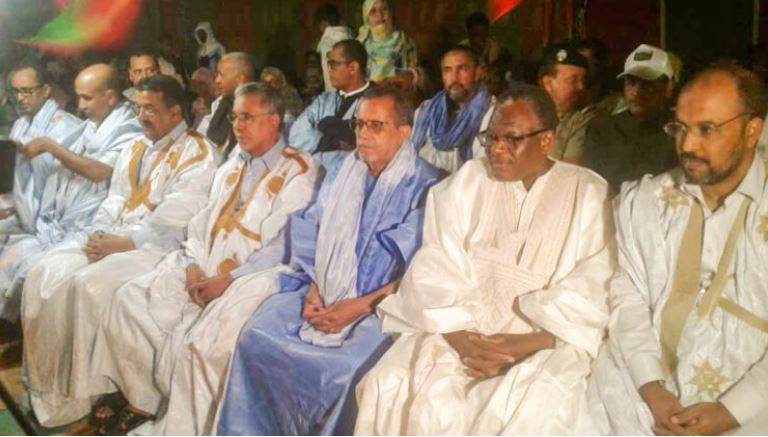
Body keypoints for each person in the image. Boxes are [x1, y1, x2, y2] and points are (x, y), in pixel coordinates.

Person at [355, 84, 615, 435]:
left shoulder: (588, 192)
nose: (497, 149)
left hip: (545, 341)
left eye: (512, 139)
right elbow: (436, 266)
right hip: (459, 328)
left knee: (538, 412)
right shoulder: (468, 181)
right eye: (491, 138)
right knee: (390, 384)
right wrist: (464, 342)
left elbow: (593, 289)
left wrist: (523, 346)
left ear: (546, 140)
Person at [89, 82, 320, 435]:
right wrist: (194, 264)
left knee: (199, 344)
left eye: (247, 117)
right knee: (128, 301)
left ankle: (191, 424)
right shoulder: (233, 163)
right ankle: (145, 400)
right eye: (235, 117)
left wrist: (228, 281)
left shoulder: (299, 169)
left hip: (254, 280)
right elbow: (201, 222)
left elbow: (282, 247)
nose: (238, 126)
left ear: (274, 120)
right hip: (204, 268)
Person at [217, 86, 440, 435]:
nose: (363, 134)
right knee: (255, 336)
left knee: (349, 370)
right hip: (324, 289)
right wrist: (315, 289)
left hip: (385, 308)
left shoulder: (430, 186)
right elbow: (313, 234)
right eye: (359, 124)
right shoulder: (342, 172)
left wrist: (358, 307)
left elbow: (423, 274)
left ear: (405, 132)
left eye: (376, 126)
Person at [20, 75, 217, 428]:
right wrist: (100, 233)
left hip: (156, 248)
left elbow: (178, 221)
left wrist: (124, 243)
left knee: (88, 285)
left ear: (175, 112)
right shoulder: (137, 145)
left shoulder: (199, 153)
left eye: (150, 109)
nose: (141, 117)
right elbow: (115, 198)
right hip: (115, 236)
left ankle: (95, 389)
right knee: (43, 272)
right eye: (138, 108)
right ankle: (51, 388)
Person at [589, 63, 768, 435]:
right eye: (680, 128)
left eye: (707, 129)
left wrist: (731, 411)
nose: (687, 145)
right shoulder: (647, 201)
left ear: (752, 131)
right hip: (641, 386)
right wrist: (651, 388)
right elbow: (629, 296)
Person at [0, 64, 141, 325]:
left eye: (86, 98)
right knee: (15, 253)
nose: (80, 105)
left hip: (97, 222)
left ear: (110, 97)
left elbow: (100, 172)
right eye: (78, 97)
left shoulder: (129, 128)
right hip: (56, 216)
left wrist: (50, 146)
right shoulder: (89, 125)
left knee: (38, 268)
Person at [0, 60, 81, 243]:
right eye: (16, 91)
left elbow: (58, 190)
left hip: (51, 219)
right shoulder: (20, 124)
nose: (20, 98)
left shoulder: (66, 127)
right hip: (20, 212)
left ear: (45, 90)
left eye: (27, 91)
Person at [582, 44, 679, 191]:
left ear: (667, 88)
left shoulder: (679, 132)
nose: (636, 92)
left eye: (647, 84)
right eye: (631, 82)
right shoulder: (601, 131)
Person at [290, 39, 370, 173]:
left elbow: (364, 147)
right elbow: (296, 134)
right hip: (313, 177)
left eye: (333, 64)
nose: (328, 70)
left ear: (353, 68)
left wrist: (320, 132)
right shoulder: (323, 100)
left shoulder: (376, 102)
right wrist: (328, 141)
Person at [412, 45, 492, 173]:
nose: (454, 78)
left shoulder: (492, 115)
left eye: (462, 69)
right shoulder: (425, 111)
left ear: (478, 73)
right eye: (447, 71)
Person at [538, 45, 594, 164]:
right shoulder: (524, 114)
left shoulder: (579, 122)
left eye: (583, 81)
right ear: (548, 83)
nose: (581, 87)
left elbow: (569, 169)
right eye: (573, 80)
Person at [197, 52, 256, 160]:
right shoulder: (220, 103)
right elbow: (201, 136)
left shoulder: (259, 109)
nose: (217, 81)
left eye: (221, 75)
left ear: (240, 79)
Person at [356, 0, 418, 84]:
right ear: (366, 17)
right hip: (368, 91)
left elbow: (413, 74)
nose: (380, 15)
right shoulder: (359, 44)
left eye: (384, 9)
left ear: (390, 13)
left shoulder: (405, 42)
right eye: (373, 11)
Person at [315, 3, 353, 92]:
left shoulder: (327, 42)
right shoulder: (350, 36)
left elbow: (329, 74)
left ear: (323, 23)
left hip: (335, 93)